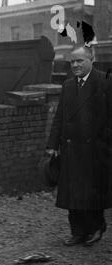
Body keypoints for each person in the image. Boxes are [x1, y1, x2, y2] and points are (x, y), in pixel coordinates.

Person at [46, 45, 112, 247]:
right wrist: (52, 144)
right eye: (72, 61)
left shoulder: (104, 81)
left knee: (92, 192)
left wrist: (105, 144)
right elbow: (60, 118)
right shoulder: (68, 85)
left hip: (95, 150)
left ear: (91, 59)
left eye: (79, 61)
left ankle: (95, 227)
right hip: (71, 149)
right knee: (72, 192)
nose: (75, 65)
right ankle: (77, 232)